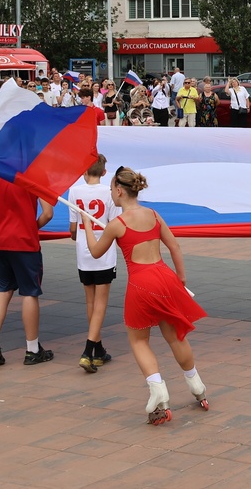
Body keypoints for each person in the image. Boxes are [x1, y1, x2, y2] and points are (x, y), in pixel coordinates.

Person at [81, 166, 207, 424]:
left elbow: (95, 252)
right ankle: (197, 385)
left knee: (139, 341)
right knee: (174, 336)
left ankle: (158, 392)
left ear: (119, 190)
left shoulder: (116, 225)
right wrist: (180, 278)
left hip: (141, 284)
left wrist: (86, 224)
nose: (111, 194)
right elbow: (174, 245)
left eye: (111, 190)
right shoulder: (153, 214)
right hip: (165, 277)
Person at [0, 171, 55, 367]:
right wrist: (31, 227)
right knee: (29, 292)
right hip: (24, 242)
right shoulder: (35, 174)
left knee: (3, 290)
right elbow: (48, 213)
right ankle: (32, 349)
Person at [68, 155, 118, 373]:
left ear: (83, 172)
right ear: (104, 173)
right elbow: (115, 224)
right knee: (101, 303)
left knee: (90, 302)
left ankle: (98, 349)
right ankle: (90, 350)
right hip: (105, 253)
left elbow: (72, 228)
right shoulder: (109, 193)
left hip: (83, 252)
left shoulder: (74, 192)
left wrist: (80, 235)